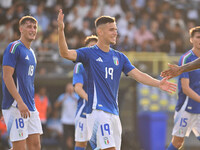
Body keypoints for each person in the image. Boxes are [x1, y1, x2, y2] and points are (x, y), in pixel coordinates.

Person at [57, 9, 177, 150]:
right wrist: (60, 30)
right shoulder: (89, 53)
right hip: (97, 112)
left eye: (116, 30)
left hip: (114, 113)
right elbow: (65, 53)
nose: (116, 33)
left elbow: (138, 74)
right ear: (100, 32)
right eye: (111, 30)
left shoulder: (119, 57)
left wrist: (158, 83)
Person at [2, 16, 43, 150]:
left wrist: (29, 103)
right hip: (15, 105)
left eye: (34, 27)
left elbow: (28, 82)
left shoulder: (32, 52)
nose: (32, 30)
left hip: (30, 106)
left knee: (36, 145)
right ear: (21, 29)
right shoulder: (13, 47)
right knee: (19, 147)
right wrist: (19, 101)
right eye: (29, 26)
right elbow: (7, 77)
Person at [166, 26, 200, 150]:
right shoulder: (186, 59)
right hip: (187, 107)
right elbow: (185, 89)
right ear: (191, 39)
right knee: (178, 142)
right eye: (198, 37)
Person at [73, 35, 98, 150]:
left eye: (96, 47)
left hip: (100, 111)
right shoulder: (80, 65)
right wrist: (91, 99)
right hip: (85, 110)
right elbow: (78, 88)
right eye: (90, 46)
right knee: (81, 143)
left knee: (101, 143)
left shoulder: (102, 67)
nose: (93, 49)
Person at [54, 83, 78, 150]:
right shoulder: (63, 96)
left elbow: (81, 105)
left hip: (74, 120)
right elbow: (56, 105)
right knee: (65, 137)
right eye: (68, 88)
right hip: (65, 120)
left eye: (71, 88)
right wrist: (64, 98)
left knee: (74, 137)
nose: (70, 90)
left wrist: (73, 97)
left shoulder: (76, 96)